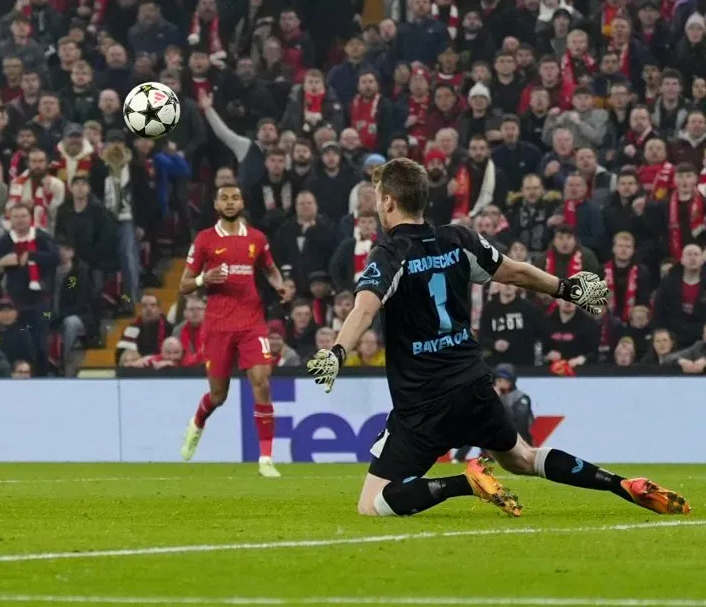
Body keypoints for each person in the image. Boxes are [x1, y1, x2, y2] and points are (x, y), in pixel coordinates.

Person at [307, 158, 690, 518]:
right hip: (473, 384)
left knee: (372, 504)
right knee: (522, 457)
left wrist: (338, 351)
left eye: (378, 198)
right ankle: (621, 484)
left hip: (423, 401)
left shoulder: (389, 253)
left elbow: (365, 308)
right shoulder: (459, 238)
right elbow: (515, 272)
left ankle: (465, 481)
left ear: (388, 201)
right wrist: (566, 288)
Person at [177, 184, 294, 478]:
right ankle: (198, 422)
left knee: (262, 382)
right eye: (224, 198)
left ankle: (266, 459)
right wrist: (205, 277)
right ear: (216, 205)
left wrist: (279, 285)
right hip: (217, 325)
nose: (230, 203)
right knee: (218, 396)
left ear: (242, 202)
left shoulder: (257, 238)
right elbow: (184, 284)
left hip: (252, 322)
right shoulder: (205, 240)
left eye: (235, 198)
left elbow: (269, 268)